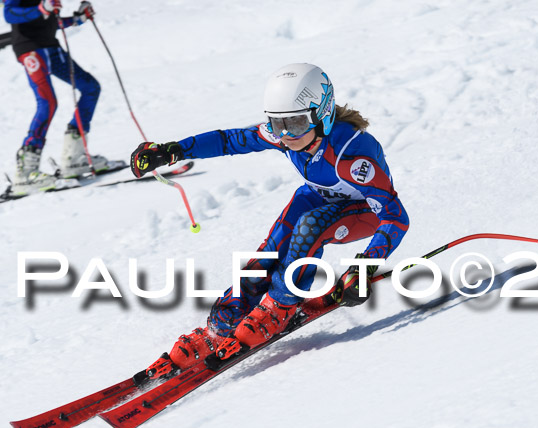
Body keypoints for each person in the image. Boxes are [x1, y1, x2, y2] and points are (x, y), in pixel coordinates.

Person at [130, 63, 410, 376]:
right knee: (269, 253)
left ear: (323, 114)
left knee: (310, 227)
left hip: (363, 212)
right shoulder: (288, 133)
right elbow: (231, 140)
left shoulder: (351, 156)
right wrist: (174, 151)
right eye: (277, 124)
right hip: (319, 196)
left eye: (296, 123)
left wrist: (364, 266)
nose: (286, 134)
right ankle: (220, 326)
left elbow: (395, 217)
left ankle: (279, 307)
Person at [4, 0, 109, 194]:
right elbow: (9, 14)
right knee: (47, 103)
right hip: (30, 49)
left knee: (91, 87)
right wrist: (41, 8)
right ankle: (25, 172)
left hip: (51, 47)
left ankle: (74, 157)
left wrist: (77, 19)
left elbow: (50, 21)